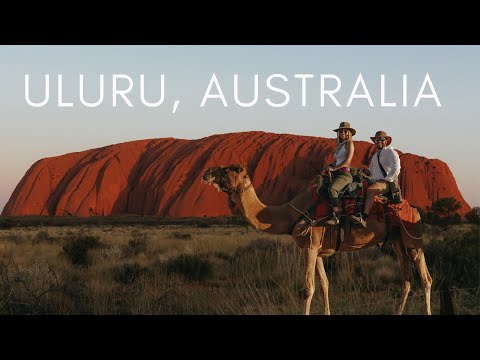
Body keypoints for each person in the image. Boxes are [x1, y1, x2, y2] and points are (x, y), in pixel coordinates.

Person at [350, 130, 401, 228]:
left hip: (386, 183)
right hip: (375, 180)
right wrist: (364, 171)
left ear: (386, 141)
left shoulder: (391, 152)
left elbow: (396, 167)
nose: (378, 141)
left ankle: (363, 218)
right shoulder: (375, 156)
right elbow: (371, 171)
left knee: (370, 191)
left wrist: (386, 179)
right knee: (358, 187)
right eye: (377, 140)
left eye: (381, 139)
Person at [324, 121, 356, 225]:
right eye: (341, 131)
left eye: (345, 131)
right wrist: (330, 166)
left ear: (349, 133)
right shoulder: (339, 145)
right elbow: (337, 160)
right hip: (337, 173)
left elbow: (347, 161)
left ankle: (336, 216)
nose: (343, 133)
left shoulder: (350, 144)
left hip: (345, 174)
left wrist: (334, 168)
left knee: (332, 188)